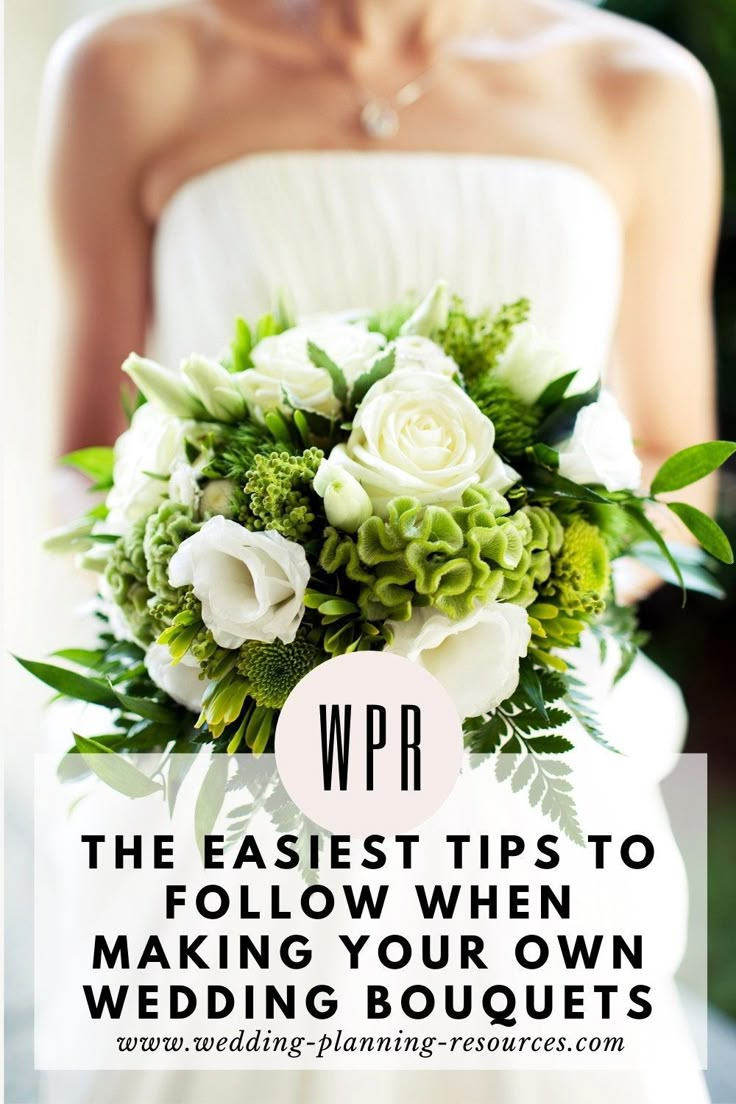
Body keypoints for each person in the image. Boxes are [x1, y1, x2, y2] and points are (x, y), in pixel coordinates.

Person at [39, 0, 719, 1100]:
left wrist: (494, 595)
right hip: (232, 738)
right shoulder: (129, 67)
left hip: (521, 735)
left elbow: (675, 472)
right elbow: (86, 451)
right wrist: (258, 625)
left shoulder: (639, 88)